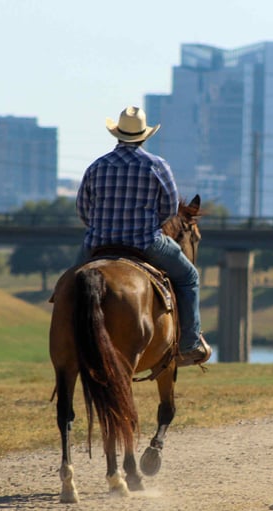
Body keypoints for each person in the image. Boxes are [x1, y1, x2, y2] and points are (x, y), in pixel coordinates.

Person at [75, 105, 211, 367]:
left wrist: (99, 228)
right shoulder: (157, 166)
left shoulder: (97, 166)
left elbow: (82, 208)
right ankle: (189, 343)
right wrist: (150, 224)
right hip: (146, 242)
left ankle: (67, 339)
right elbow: (170, 209)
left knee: (67, 286)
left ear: (117, 134)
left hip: (97, 243)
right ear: (144, 136)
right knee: (189, 278)